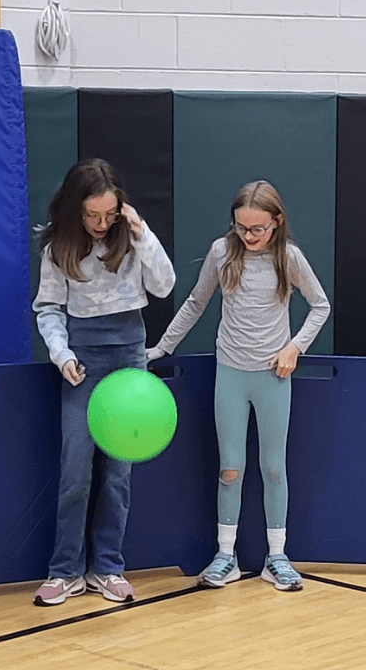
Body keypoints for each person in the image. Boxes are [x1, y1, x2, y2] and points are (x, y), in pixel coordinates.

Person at [148, 180, 330, 591]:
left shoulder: (289, 257)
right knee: (230, 468)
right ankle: (225, 556)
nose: (248, 236)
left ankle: (277, 557)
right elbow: (196, 302)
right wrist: (162, 347)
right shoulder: (222, 252)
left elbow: (321, 305)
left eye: (258, 229)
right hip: (230, 372)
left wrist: (294, 347)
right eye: (241, 227)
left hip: (272, 377)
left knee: (273, 468)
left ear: (276, 223)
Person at [32, 158, 175, 606]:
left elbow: (165, 286)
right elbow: (49, 308)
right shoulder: (58, 246)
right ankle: (65, 571)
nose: (100, 223)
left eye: (109, 215)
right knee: (76, 470)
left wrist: (140, 231)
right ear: (76, 209)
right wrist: (62, 354)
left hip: (129, 356)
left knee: (118, 473)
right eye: (92, 215)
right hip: (83, 361)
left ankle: (108, 567)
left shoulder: (131, 238)